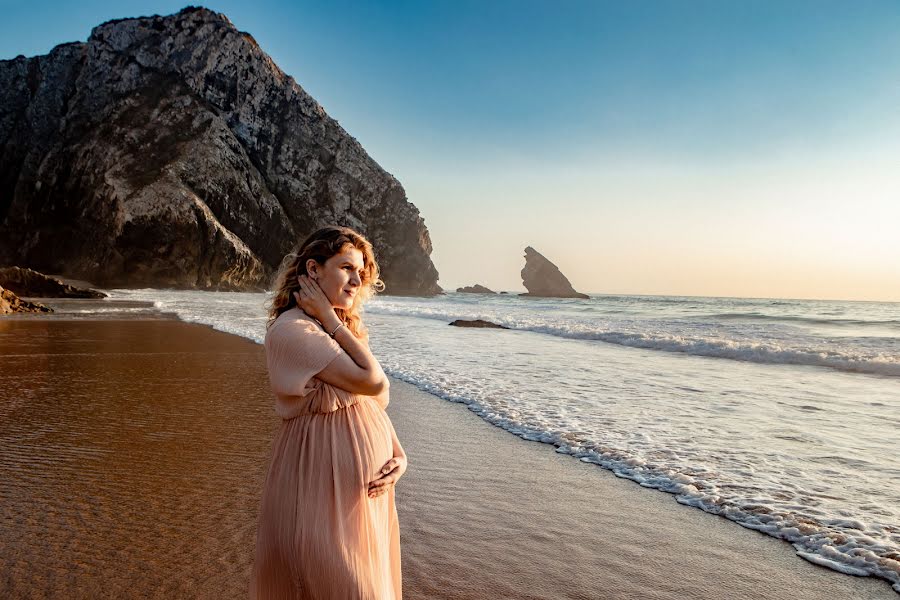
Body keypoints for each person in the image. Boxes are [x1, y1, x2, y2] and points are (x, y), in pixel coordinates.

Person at [250, 226, 407, 599]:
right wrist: (332, 320)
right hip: (318, 481)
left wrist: (398, 454)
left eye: (361, 272)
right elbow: (370, 380)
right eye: (346, 267)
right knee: (343, 585)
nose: (357, 280)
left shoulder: (339, 331)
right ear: (314, 270)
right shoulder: (294, 330)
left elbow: (376, 398)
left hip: (361, 492)